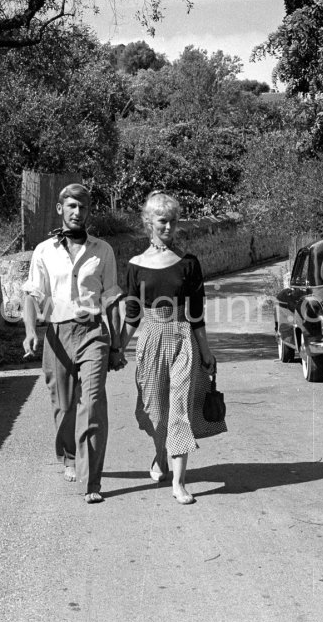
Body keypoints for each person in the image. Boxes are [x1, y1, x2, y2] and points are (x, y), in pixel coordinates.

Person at [22, 183, 125, 504]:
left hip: (94, 333)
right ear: (60, 209)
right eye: (71, 206)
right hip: (56, 334)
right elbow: (32, 294)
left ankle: (91, 480)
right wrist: (30, 331)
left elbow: (110, 299)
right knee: (64, 405)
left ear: (88, 210)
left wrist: (117, 344)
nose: (77, 212)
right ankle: (69, 454)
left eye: (82, 207)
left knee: (93, 403)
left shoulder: (102, 250)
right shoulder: (44, 251)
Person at [120, 190, 216, 505]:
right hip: (150, 339)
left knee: (179, 410)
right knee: (156, 410)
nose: (169, 227)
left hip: (182, 338)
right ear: (149, 223)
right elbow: (132, 315)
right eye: (163, 221)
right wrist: (118, 348)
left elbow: (197, 314)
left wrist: (205, 351)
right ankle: (160, 453)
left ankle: (179, 482)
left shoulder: (188, 264)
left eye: (173, 221)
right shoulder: (135, 265)